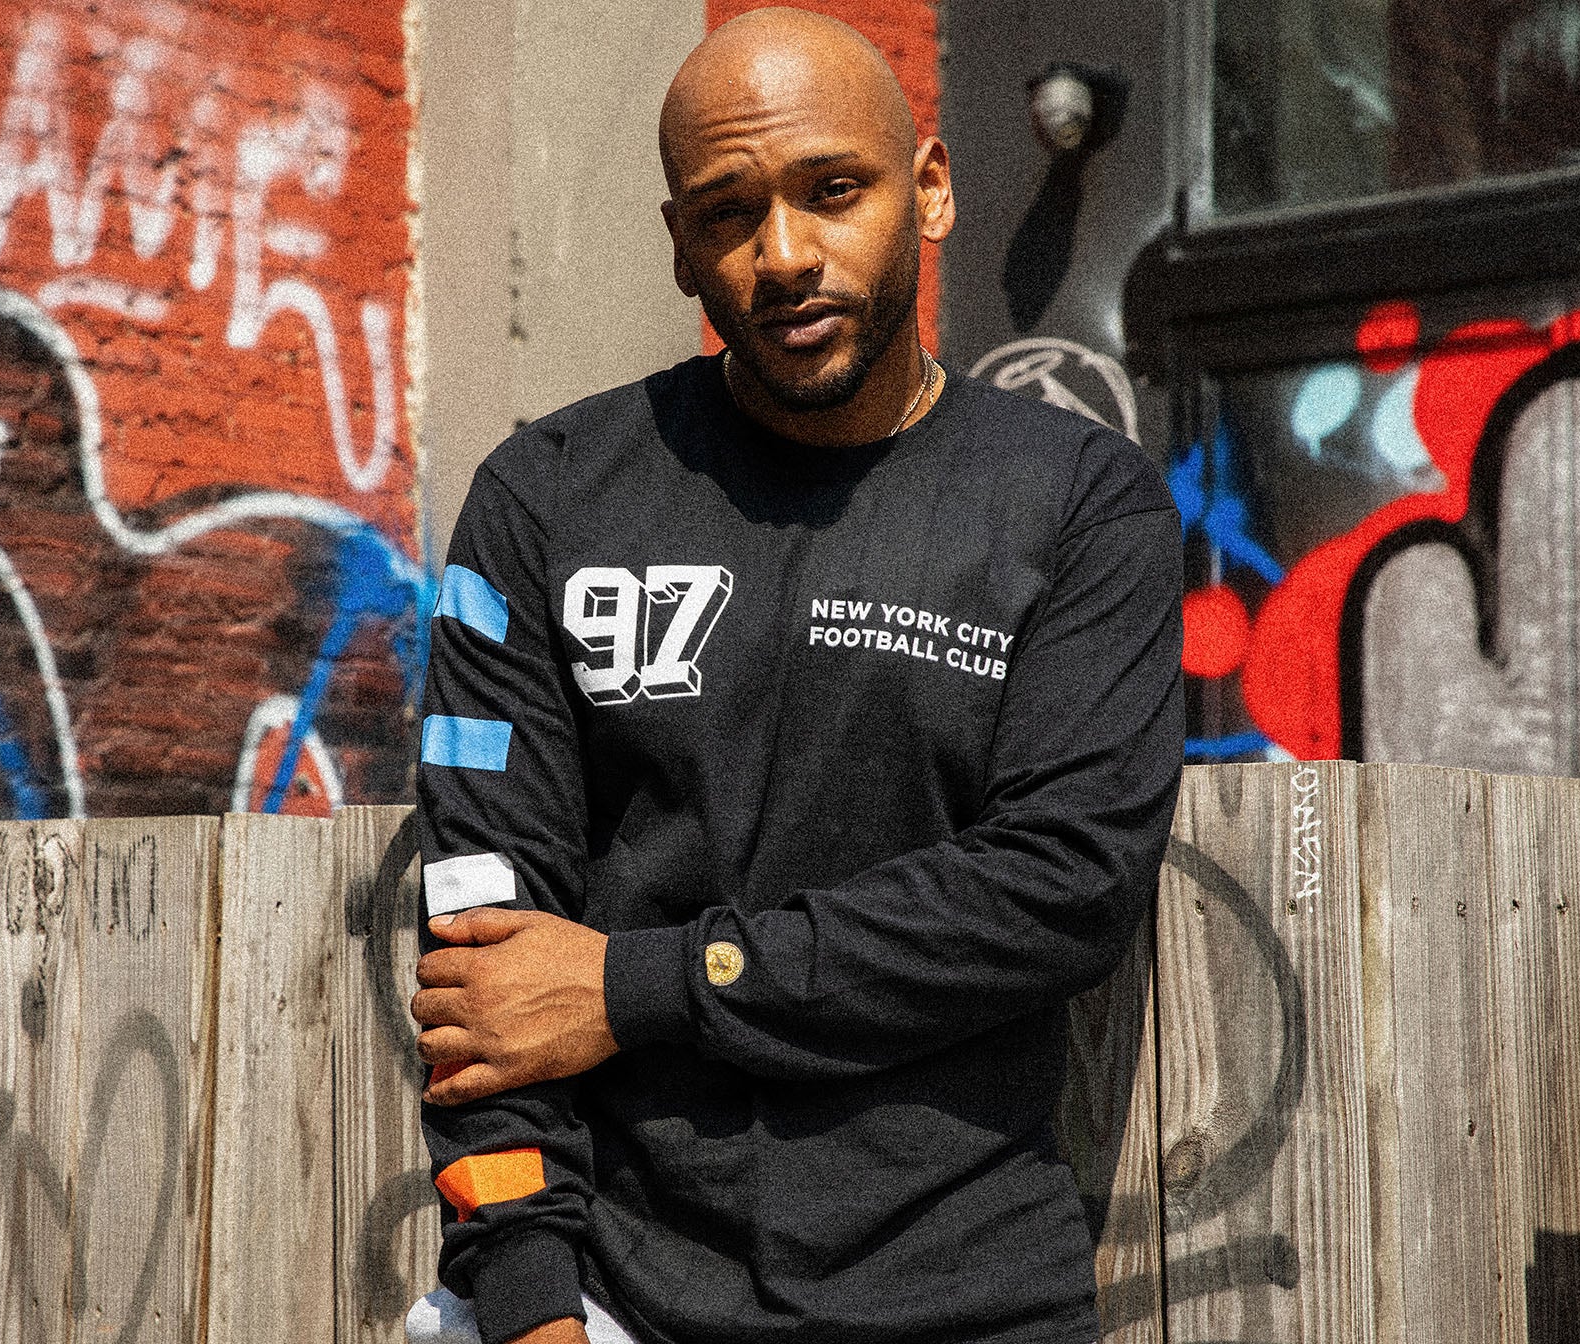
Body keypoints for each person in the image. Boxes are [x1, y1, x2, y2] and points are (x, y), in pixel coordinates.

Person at [406, 9, 1184, 1344]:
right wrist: (533, 1306)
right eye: (728, 212)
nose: (784, 257)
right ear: (678, 244)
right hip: (616, 1306)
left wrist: (635, 986)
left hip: (974, 1303)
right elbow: (487, 955)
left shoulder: (1077, 505)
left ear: (929, 190)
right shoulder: (547, 502)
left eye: (836, 192)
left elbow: (1061, 887)